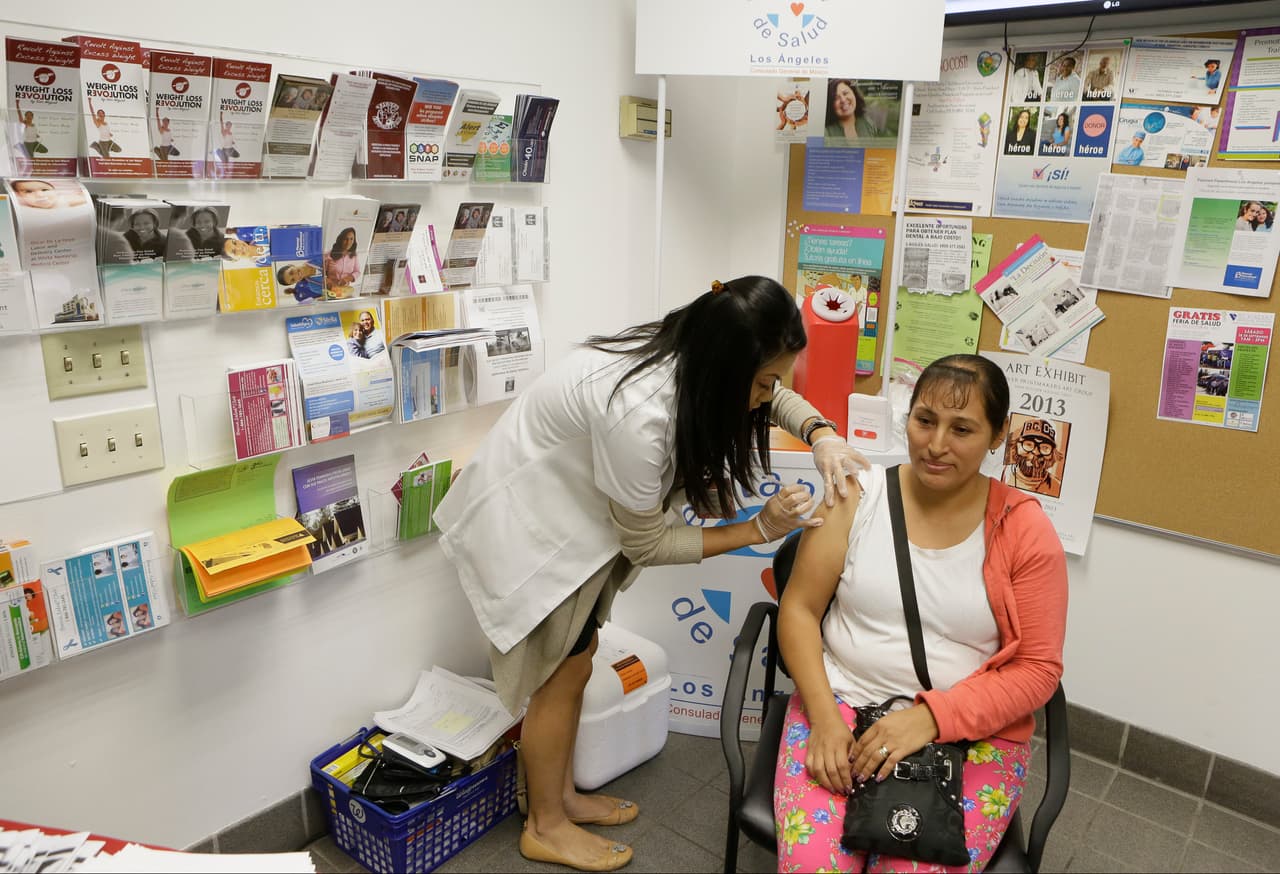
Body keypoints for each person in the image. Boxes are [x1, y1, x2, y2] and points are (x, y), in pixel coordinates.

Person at [433, 276, 869, 872]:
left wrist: (821, 435)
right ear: (727, 367)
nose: (770, 394)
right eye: (765, 381)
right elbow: (648, 542)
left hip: (573, 525)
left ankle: (558, 798)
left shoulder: (691, 349)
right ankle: (545, 826)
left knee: (578, 659)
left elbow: (771, 391)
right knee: (558, 677)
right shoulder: (642, 414)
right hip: (534, 535)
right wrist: (756, 530)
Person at [773, 354, 1067, 873]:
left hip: (968, 733)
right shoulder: (854, 496)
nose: (936, 445)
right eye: (924, 420)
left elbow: (1038, 669)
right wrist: (822, 720)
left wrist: (933, 717)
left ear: (998, 435)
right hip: (839, 706)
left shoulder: (1023, 529)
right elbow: (798, 609)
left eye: (963, 429)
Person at [1001, 417, 1063, 496]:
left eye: (1045, 447)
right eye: (1029, 444)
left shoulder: (1056, 486)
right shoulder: (1004, 473)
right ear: (1017, 445)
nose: (1035, 452)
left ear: (1053, 454)